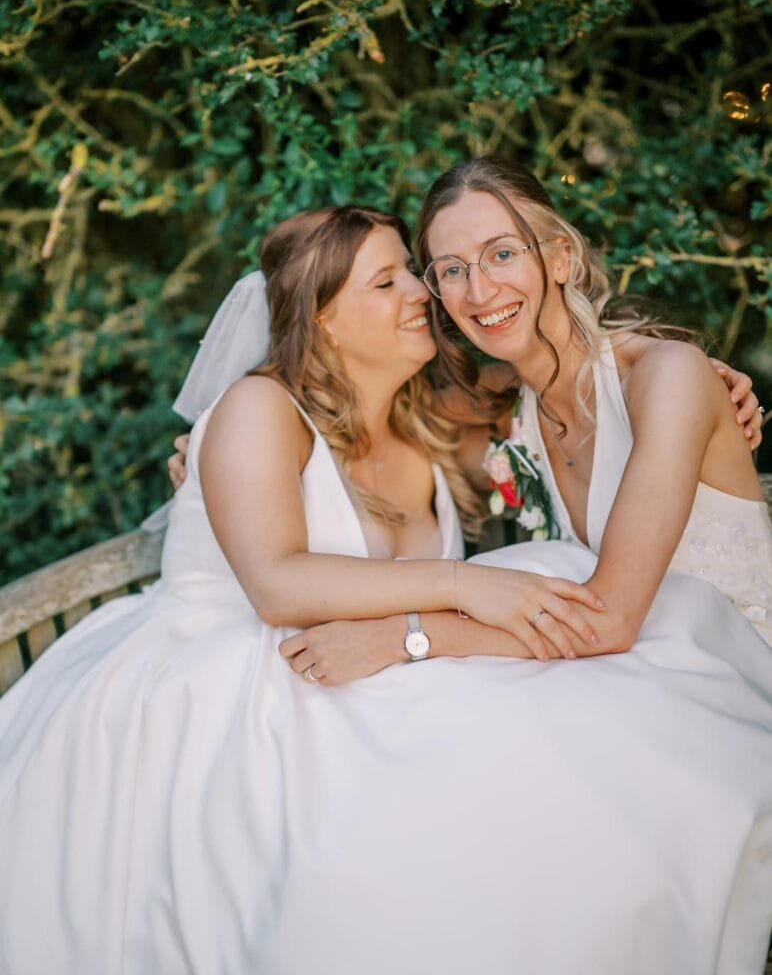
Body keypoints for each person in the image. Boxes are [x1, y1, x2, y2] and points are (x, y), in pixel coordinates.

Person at [0, 193, 768, 975]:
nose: (424, 294)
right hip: (225, 680)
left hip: (362, 666)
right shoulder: (259, 408)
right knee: (383, 845)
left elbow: (587, 392)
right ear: (324, 317)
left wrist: (705, 388)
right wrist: (464, 589)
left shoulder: (433, 420)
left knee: (529, 777)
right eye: (391, 281)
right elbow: (274, 585)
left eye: (414, 272)